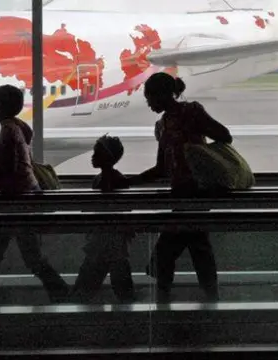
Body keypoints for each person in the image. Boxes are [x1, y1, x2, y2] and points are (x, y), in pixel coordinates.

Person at [128, 72, 233, 303]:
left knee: (170, 251)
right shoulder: (166, 123)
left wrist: (200, 159)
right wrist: (130, 181)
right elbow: (161, 168)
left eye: (149, 98)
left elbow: (224, 135)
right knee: (196, 247)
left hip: (193, 194)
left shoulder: (188, 113)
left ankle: (165, 300)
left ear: (163, 95)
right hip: (184, 195)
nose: (148, 103)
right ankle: (208, 298)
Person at [0, 84, 69, 305]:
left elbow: (9, 174)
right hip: (26, 199)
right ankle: (60, 293)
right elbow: (17, 165)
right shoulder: (18, 126)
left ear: (4, 106)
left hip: (15, 204)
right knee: (29, 257)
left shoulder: (7, 131)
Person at [70, 134, 134, 303]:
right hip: (113, 243)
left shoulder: (102, 180)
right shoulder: (116, 179)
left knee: (84, 288)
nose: (92, 157)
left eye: (96, 153)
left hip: (102, 243)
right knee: (122, 287)